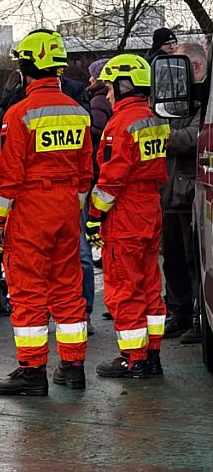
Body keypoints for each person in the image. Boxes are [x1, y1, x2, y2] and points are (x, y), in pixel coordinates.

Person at [0, 29, 93, 396]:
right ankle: (73, 367)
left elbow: (8, 175)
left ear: (27, 69)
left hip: (31, 209)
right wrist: (73, 208)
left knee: (28, 291)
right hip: (66, 208)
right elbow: (85, 173)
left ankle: (32, 372)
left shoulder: (19, 114)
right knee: (68, 289)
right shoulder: (78, 113)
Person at [86, 53, 169, 378]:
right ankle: (152, 355)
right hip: (150, 207)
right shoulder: (153, 119)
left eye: (109, 88)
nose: (107, 95)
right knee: (150, 285)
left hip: (126, 211)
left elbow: (112, 179)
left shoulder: (120, 124)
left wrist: (94, 216)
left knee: (125, 287)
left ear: (123, 85)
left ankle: (133, 358)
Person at [161, 42, 207, 343]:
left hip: (190, 192)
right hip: (170, 192)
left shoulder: (204, 101)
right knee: (173, 259)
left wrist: (159, 134)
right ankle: (179, 313)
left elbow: (193, 138)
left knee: (194, 261)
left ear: (196, 67)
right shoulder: (175, 100)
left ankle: (197, 317)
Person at [83, 57, 112, 329]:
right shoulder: (101, 99)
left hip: (96, 175)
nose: (89, 79)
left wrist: (86, 128)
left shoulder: (98, 101)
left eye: (93, 75)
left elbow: (99, 130)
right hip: (98, 175)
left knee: (85, 250)